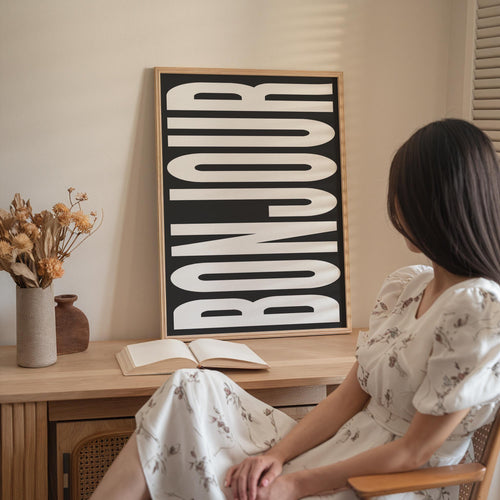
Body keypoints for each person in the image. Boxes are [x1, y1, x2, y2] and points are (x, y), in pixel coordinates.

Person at [91, 119, 500, 500]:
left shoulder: (478, 310)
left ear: (440, 204)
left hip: (381, 483)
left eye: (404, 195)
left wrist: (293, 485)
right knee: (190, 387)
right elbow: (348, 395)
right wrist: (277, 457)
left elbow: (413, 453)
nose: (395, 207)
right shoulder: (409, 286)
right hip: (342, 446)